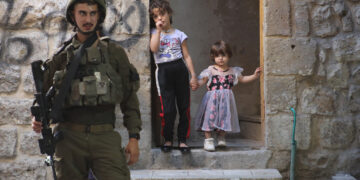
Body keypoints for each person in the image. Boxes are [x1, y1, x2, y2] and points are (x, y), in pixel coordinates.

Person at [31, 0, 142, 179]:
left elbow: (130, 98)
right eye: (82, 13)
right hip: (68, 138)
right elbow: (42, 94)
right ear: (73, 16)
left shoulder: (114, 54)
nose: (88, 19)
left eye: (92, 13)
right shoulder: (61, 56)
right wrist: (36, 118)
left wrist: (134, 137)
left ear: (99, 16)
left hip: (105, 136)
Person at [149, 0, 198, 153]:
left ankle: (182, 140)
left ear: (169, 13)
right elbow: (154, 49)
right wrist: (157, 31)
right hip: (163, 72)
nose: (160, 19)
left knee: (184, 107)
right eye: (155, 16)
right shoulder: (153, 33)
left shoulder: (179, 34)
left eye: (162, 14)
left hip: (180, 69)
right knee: (168, 109)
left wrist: (193, 76)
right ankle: (168, 139)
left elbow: (187, 56)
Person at [195, 40, 261, 152]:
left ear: (229, 55)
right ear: (213, 57)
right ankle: (208, 140)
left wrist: (255, 76)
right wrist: (195, 84)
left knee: (224, 118)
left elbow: (243, 79)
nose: (220, 58)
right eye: (217, 56)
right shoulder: (210, 70)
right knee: (209, 118)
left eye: (223, 55)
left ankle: (221, 136)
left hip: (225, 101)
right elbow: (202, 81)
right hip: (212, 100)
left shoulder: (233, 71)